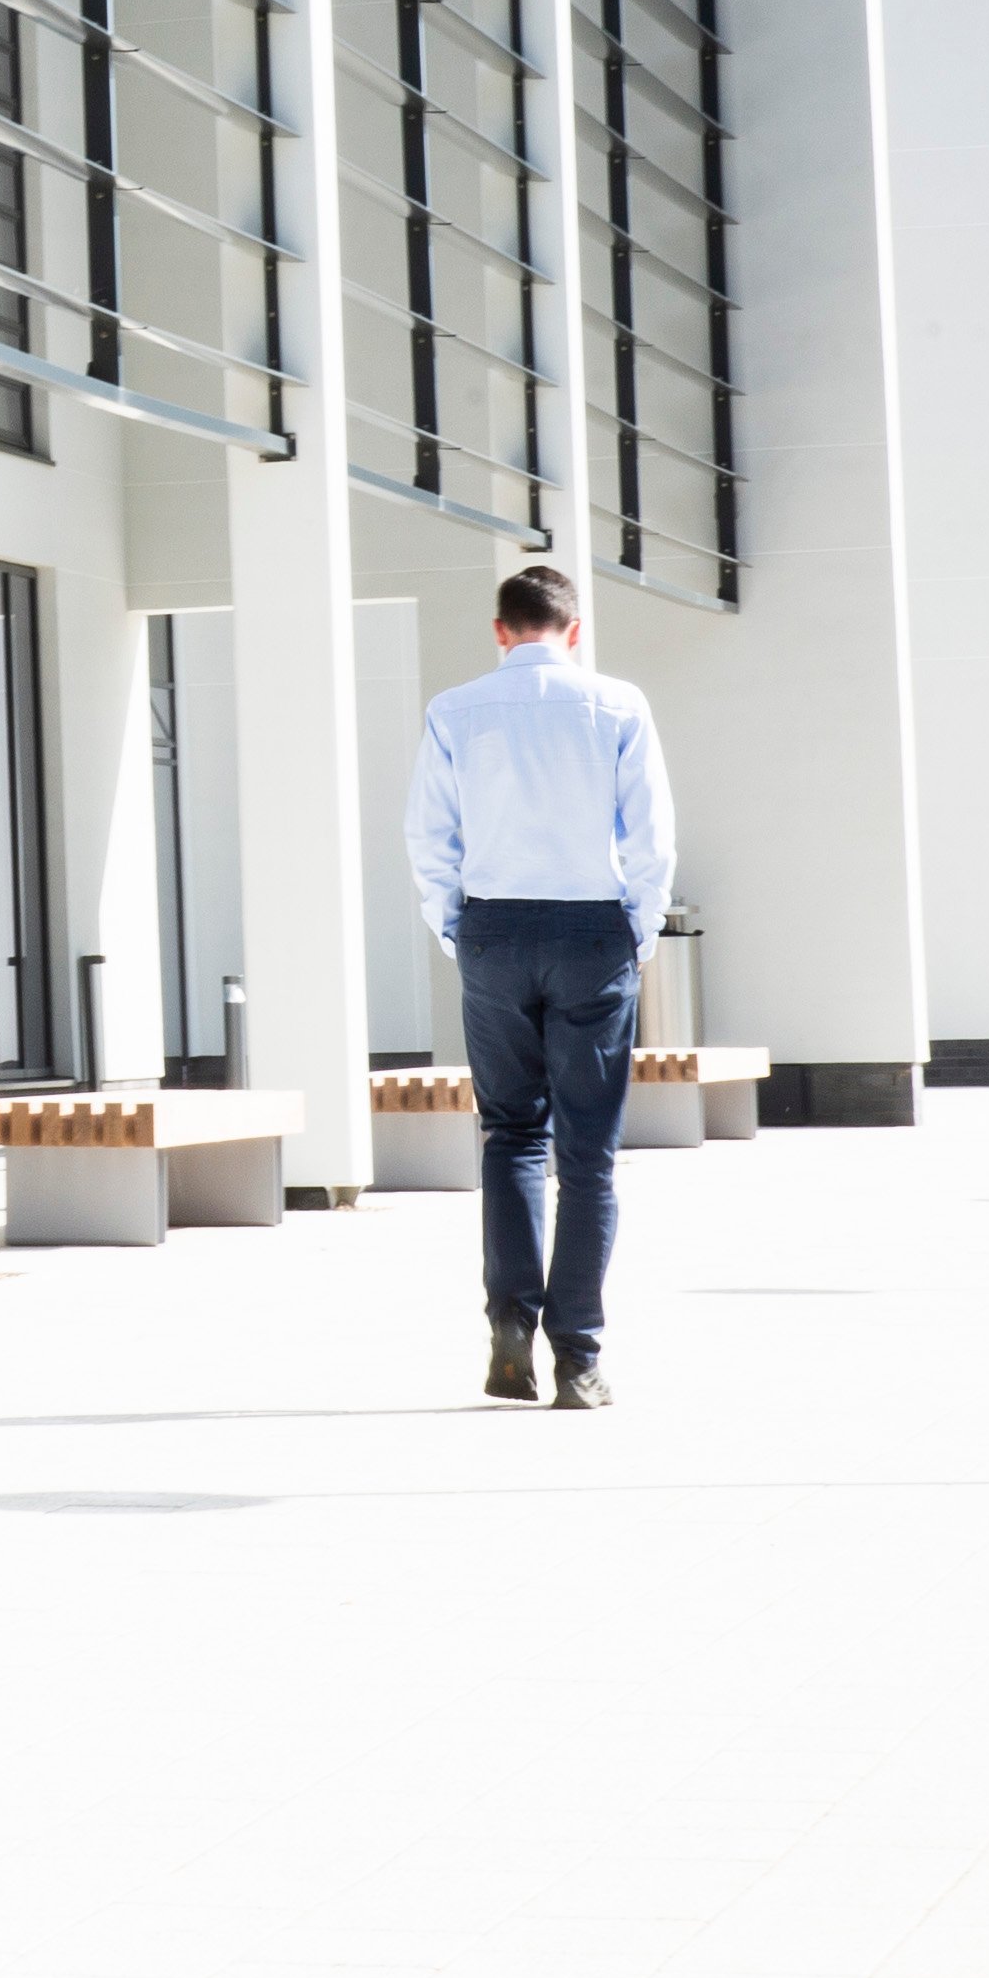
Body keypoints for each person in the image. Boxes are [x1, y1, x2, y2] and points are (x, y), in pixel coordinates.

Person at [402, 562, 675, 1410]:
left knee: (511, 1135)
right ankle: (579, 1359)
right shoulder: (619, 704)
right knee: (588, 1157)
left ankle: (510, 1325)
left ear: (500, 631)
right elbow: (652, 834)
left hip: (494, 930)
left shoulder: (454, 710)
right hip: (592, 931)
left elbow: (429, 834)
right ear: (575, 630)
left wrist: (455, 927)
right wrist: (640, 930)